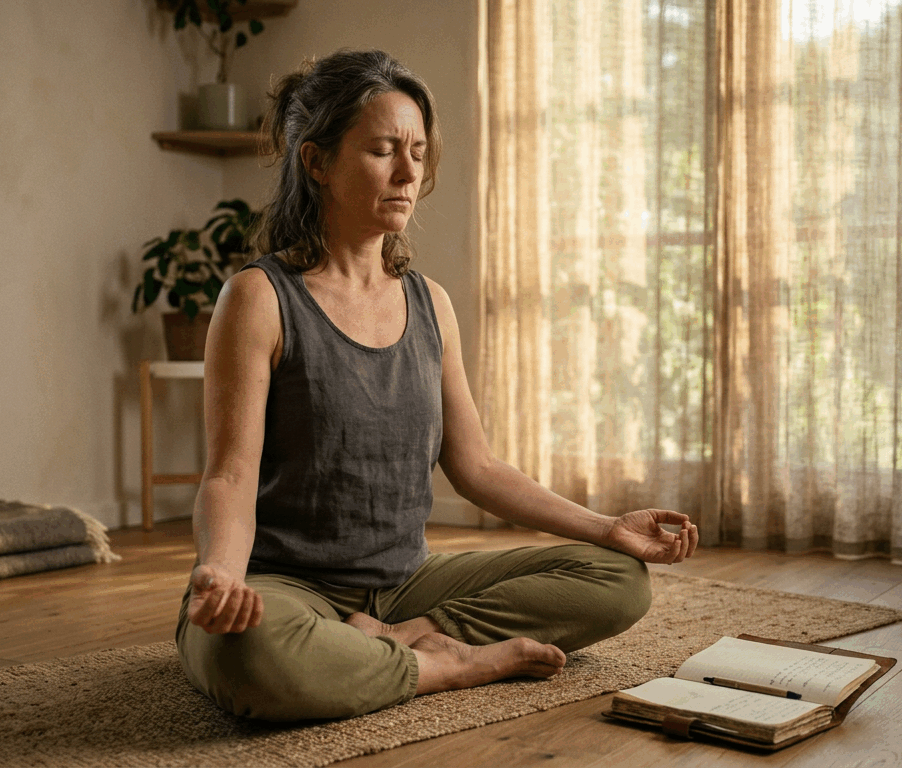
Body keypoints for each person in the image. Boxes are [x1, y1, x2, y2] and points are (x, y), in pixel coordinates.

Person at [175, 49, 698, 723]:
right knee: (247, 651)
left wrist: (609, 527)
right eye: (383, 151)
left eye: (417, 153)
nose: (408, 172)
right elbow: (228, 475)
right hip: (287, 586)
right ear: (317, 162)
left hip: (407, 584)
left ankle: (404, 640)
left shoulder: (431, 304)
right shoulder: (259, 298)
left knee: (619, 579)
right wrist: (220, 573)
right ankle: (450, 664)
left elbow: (477, 468)